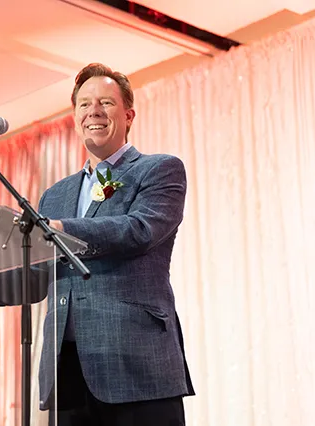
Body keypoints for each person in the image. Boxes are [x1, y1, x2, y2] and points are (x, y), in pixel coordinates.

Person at [37, 63, 195, 426]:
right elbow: (41, 265)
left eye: (105, 102)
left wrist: (63, 229)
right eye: (84, 104)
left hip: (136, 362)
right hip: (68, 370)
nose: (93, 111)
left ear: (128, 114)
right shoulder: (53, 195)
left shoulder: (159, 169)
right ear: (74, 115)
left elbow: (139, 229)